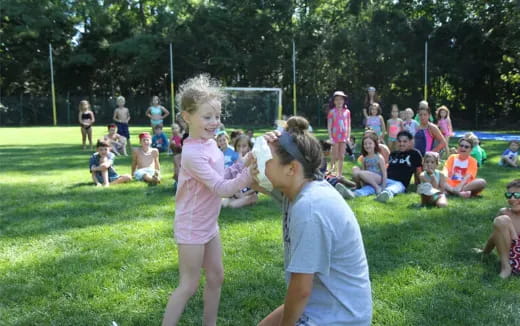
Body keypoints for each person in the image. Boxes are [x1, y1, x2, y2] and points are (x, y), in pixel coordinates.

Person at [256, 116, 372, 326]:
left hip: (339, 319)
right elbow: (247, 177)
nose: (260, 162)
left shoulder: (310, 207)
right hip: (321, 306)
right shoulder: (299, 186)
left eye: (266, 158)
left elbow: (301, 290)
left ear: (291, 168)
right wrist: (263, 144)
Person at [162, 74, 255, 326]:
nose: (214, 122)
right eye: (207, 117)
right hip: (192, 227)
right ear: (186, 116)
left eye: (217, 116)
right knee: (188, 285)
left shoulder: (211, 144)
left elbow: (224, 175)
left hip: (209, 224)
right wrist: (251, 174)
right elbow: (222, 188)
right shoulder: (192, 153)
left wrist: (247, 161)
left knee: (216, 277)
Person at [344, 131, 423, 202]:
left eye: (405, 141)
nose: (401, 144)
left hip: (400, 182)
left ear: (410, 142)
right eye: (399, 141)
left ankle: (386, 194)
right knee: (371, 187)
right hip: (384, 179)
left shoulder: (414, 153)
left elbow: (418, 171)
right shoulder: (393, 153)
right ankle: (354, 194)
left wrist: (419, 185)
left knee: (394, 187)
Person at [477, 179, 520, 279]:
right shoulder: (504, 213)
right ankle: (506, 268)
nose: (512, 199)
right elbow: (495, 236)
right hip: (511, 260)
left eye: (517, 195)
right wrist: (485, 252)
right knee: (502, 220)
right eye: (509, 195)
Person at [222, 135, 258, 208]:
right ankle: (235, 198)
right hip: (237, 190)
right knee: (225, 203)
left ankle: (246, 199)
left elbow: (256, 183)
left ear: (249, 147)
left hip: (249, 191)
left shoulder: (253, 159)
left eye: (244, 146)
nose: (241, 149)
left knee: (233, 205)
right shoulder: (237, 160)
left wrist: (244, 193)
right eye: (238, 146)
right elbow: (233, 176)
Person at [327, 90, 351, 177]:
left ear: (344, 100)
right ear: (334, 101)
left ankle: (339, 174)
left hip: (343, 137)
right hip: (335, 137)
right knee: (334, 155)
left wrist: (348, 136)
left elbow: (348, 125)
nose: (339, 101)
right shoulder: (332, 112)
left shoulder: (347, 112)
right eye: (337, 99)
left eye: (341, 99)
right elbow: (329, 126)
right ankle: (330, 170)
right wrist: (330, 137)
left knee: (341, 156)